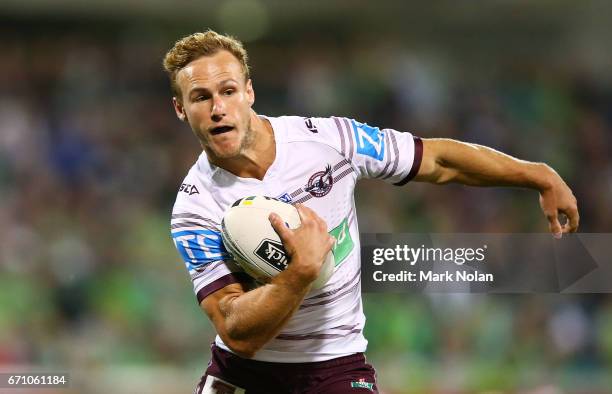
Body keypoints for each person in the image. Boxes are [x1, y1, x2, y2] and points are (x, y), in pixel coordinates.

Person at [163, 31, 579, 394]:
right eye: (201, 97)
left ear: (249, 92)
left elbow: (436, 160)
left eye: (228, 91)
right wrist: (299, 273)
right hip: (244, 375)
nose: (218, 108)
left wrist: (536, 174)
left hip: (335, 366)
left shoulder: (330, 141)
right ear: (181, 109)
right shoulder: (195, 207)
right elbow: (237, 334)